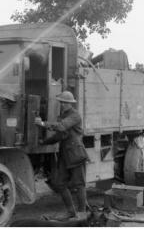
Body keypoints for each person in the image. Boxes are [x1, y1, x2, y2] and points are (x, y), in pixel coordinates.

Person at [34, 91, 89, 220]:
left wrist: (43, 124)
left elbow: (62, 127)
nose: (63, 104)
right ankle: (71, 212)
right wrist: (44, 142)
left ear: (71, 104)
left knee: (79, 184)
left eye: (65, 102)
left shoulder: (75, 116)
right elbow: (59, 136)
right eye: (61, 102)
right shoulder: (62, 116)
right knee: (60, 184)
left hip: (76, 154)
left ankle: (82, 214)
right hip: (65, 155)